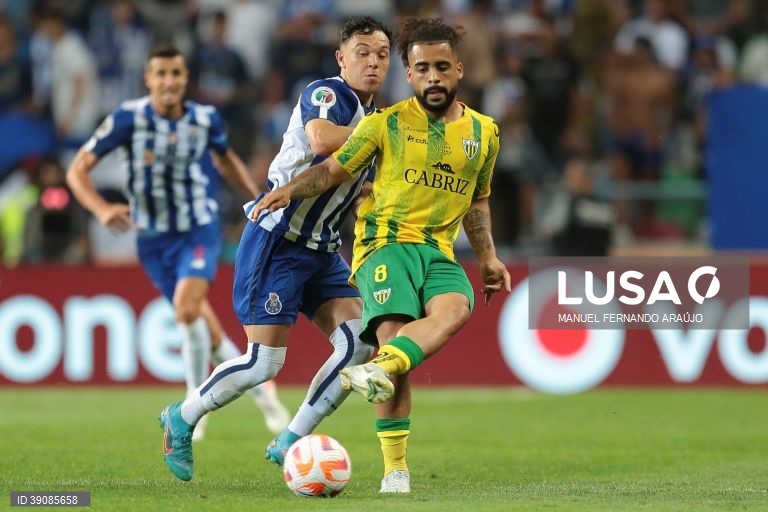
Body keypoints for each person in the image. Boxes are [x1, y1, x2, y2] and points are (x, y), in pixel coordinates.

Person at [252, 17, 511, 493]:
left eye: (441, 67)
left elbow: (478, 200)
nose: (432, 77)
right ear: (408, 76)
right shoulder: (384, 123)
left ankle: (379, 367)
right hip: (384, 246)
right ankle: (396, 469)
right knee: (396, 342)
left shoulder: (485, 132)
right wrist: (288, 190)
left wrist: (489, 258)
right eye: (421, 69)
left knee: (455, 310)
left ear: (458, 70)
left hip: (438, 251)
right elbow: (330, 170)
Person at [158, 16, 393, 482]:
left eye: (382, 53)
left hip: (323, 246)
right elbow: (322, 140)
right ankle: (181, 416)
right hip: (278, 238)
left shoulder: (373, 114)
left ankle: (290, 438)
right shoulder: (329, 94)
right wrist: (387, 134)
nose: (372, 61)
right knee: (264, 362)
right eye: (362, 52)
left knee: (359, 344)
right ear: (341, 58)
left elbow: (349, 177)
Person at [65, 44, 289, 442]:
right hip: (152, 240)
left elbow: (225, 160)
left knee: (187, 309)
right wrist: (100, 208)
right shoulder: (127, 119)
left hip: (198, 227)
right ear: (148, 79)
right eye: (161, 74)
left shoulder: (204, 118)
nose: (169, 82)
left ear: (186, 80)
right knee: (204, 324)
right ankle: (265, 397)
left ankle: (192, 405)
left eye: (176, 74)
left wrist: (258, 201)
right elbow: (78, 170)